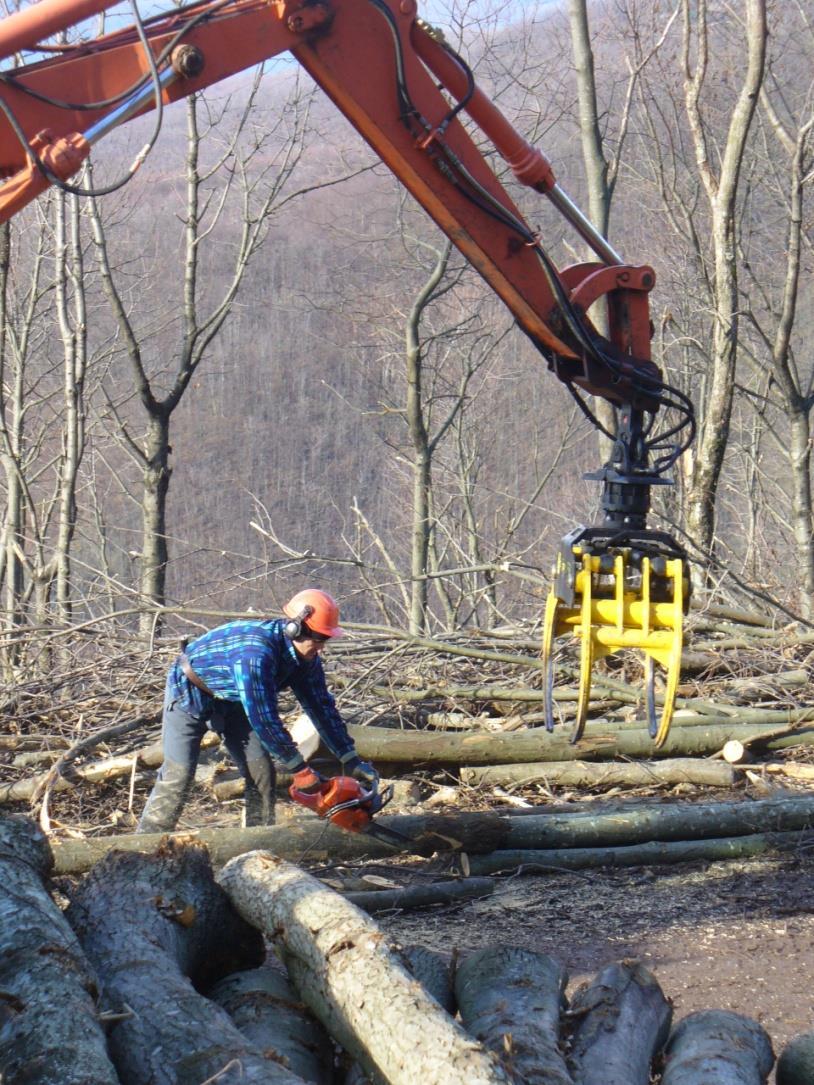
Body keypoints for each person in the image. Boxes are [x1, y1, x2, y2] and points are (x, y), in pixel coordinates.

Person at [137, 588, 378, 833]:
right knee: (179, 774)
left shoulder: (307, 660)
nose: (321, 648)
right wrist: (299, 768)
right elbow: (263, 719)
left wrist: (350, 757)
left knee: (261, 770)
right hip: (189, 693)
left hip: (235, 702)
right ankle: (146, 843)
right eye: (318, 640)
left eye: (325, 640)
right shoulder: (256, 654)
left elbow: (321, 707)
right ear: (296, 629)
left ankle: (257, 840)